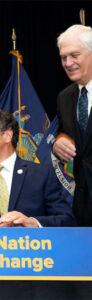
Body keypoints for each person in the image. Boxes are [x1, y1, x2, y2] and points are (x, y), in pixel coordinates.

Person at [53, 25, 92, 226]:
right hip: (83, 208)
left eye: (74, 55)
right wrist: (59, 140)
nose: (68, 63)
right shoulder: (65, 97)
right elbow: (66, 134)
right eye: (63, 57)